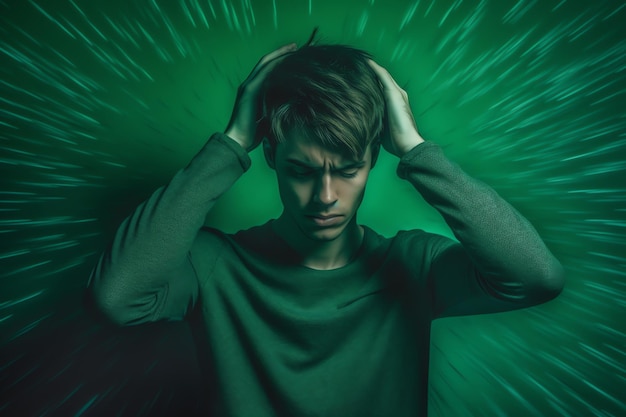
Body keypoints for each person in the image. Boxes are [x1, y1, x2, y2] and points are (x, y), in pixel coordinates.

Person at [87, 37, 565, 417]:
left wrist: (418, 150)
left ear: (374, 159)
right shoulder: (215, 266)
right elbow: (118, 297)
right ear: (271, 155)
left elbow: (536, 278)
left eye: (348, 169)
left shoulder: (412, 267)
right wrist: (232, 142)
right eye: (303, 171)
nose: (325, 197)